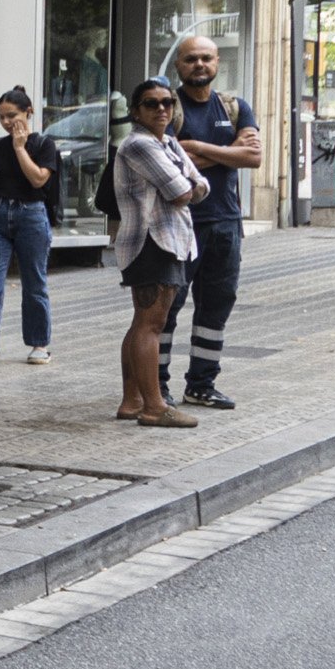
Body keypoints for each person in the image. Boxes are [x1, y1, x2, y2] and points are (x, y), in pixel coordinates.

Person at [112, 78, 210, 430]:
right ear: (136, 111)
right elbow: (181, 191)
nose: (162, 109)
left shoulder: (167, 142)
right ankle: (154, 406)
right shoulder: (139, 144)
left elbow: (199, 184)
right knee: (152, 324)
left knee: (143, 322)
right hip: (153, 241)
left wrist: (189, 184)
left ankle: (132, 401)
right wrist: (189, 184)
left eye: (167, 102)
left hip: (169, 240)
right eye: (151, 104)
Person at [168, 34, 261, 409]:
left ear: (218, 62)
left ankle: (201, 385)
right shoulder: (166, 107)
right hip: (179, 225)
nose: (199, 65)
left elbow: (253, 159)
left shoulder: (235, 107)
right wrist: (229, 153)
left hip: (226, 223)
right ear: (178, 64)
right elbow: (169, 163)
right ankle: (158, 386)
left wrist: (198, 149)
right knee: (167, 307)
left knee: (216, 307)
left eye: (206, 58)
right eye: (191, 59)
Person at [0, 87, 59, 364]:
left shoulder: (43, 144)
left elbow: (38, 179)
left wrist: (19, 147)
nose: (6, 122)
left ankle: (39, 344)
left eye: (12, 115)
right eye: (1, 117)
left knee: (34, 283)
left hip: (31, 214)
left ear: (28, 112)